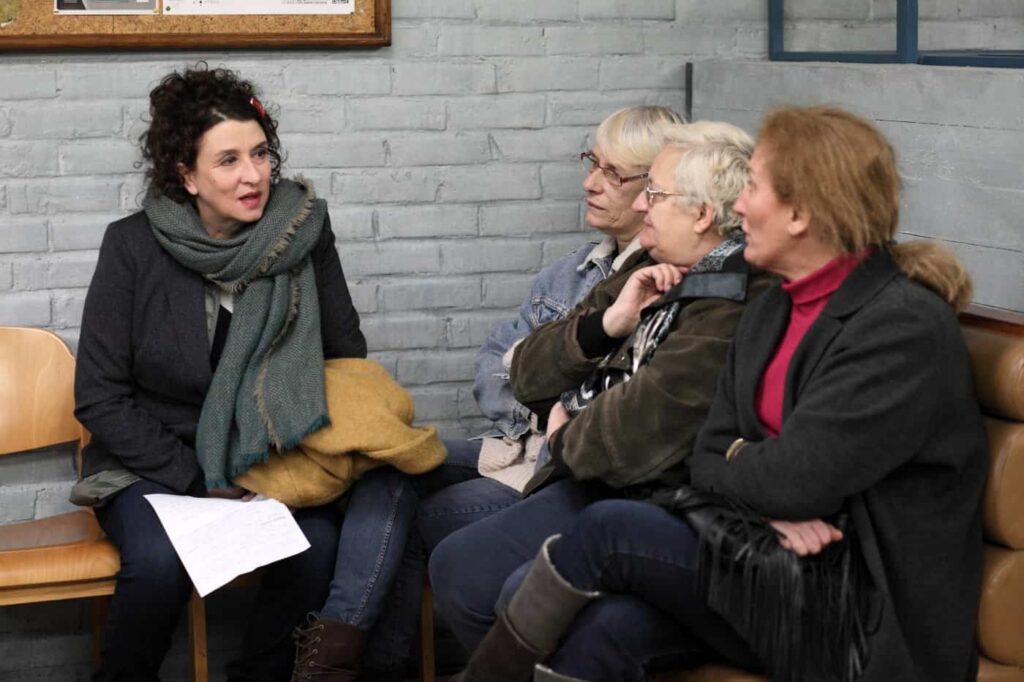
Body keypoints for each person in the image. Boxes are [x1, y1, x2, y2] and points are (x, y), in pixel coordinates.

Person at [454, 106, 987, 682]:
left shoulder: (900, 327)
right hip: (766, 566)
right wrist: (761, 488)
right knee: (604, 629)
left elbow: (794, 478)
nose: (739, 207)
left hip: (852, 610)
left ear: (800, 214)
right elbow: (711, 454)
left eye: (753, 188)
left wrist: (755, 475)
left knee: (608, 530)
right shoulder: (774, 307)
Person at [290, 106, 688, 682]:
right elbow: (495, 367)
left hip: (554, 471)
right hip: (513, 444)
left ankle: (359, 665)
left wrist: (546, 388)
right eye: (591, 163)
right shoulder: (569, 273)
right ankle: (343, 657)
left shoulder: (660, 286)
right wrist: (540, 403)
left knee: (414, 515)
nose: (589, 182)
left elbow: (595, 406)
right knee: (385, 464)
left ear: (655, 190)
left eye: (613, 173)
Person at [430, 124, 779, 667]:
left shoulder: (734, 297)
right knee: (458, 564)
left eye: (653, 193)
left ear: (702, 214)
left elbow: (642, 431)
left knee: (518, 591)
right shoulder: (645, 265)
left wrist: (564, 432)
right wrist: (606, 325)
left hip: (649, 494)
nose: (640, 205)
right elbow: (526, 372)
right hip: (586, 479)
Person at [73, 64, 366, 682]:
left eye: (260, 153)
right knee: (158, 563)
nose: (253, 175)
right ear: (187, 175)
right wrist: (197, 477)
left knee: (317, 547)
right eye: (228, 160)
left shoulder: (303, 233)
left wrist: (280, 461)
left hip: (270, 457)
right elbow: (99, 396)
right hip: (151, 464)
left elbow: (344, 359)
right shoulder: (132, 246)